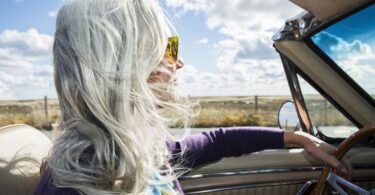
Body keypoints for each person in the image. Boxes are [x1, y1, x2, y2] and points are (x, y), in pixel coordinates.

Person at [33, 0, 352, 194]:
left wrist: (299, 139)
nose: (180, 61)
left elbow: (217, 141)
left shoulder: (139, 150)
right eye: (169, 47)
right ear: (127, 62)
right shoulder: (69, 188)